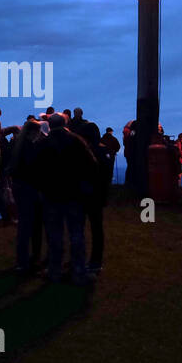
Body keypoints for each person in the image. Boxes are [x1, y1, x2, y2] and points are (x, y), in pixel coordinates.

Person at [34, 113, 99, 285]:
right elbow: (91, 165)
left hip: (51, 196)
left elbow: (35, 170)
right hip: (74, 195)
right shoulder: (76, 140)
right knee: (76, 234)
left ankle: (54, 272)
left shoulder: (42, 143)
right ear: (65, 123)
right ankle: (79, 273)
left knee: (54, 235)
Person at [70, 109, 109, 272]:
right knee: (96, 229)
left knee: (79, 228)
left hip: (83, 194)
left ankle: (79, 259)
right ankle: (95, 261)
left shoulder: (81, 152)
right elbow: (106, 176)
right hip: (97, 195)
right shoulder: (103, 151)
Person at [9, 119, 45, 275]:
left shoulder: (17, 145)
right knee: (33, 225)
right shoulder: (30, 147)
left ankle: (23, 260)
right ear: (33, 132)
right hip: (30, 189)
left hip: (20, 187)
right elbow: (34, 169)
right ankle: (29, 259)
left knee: (25, 225)